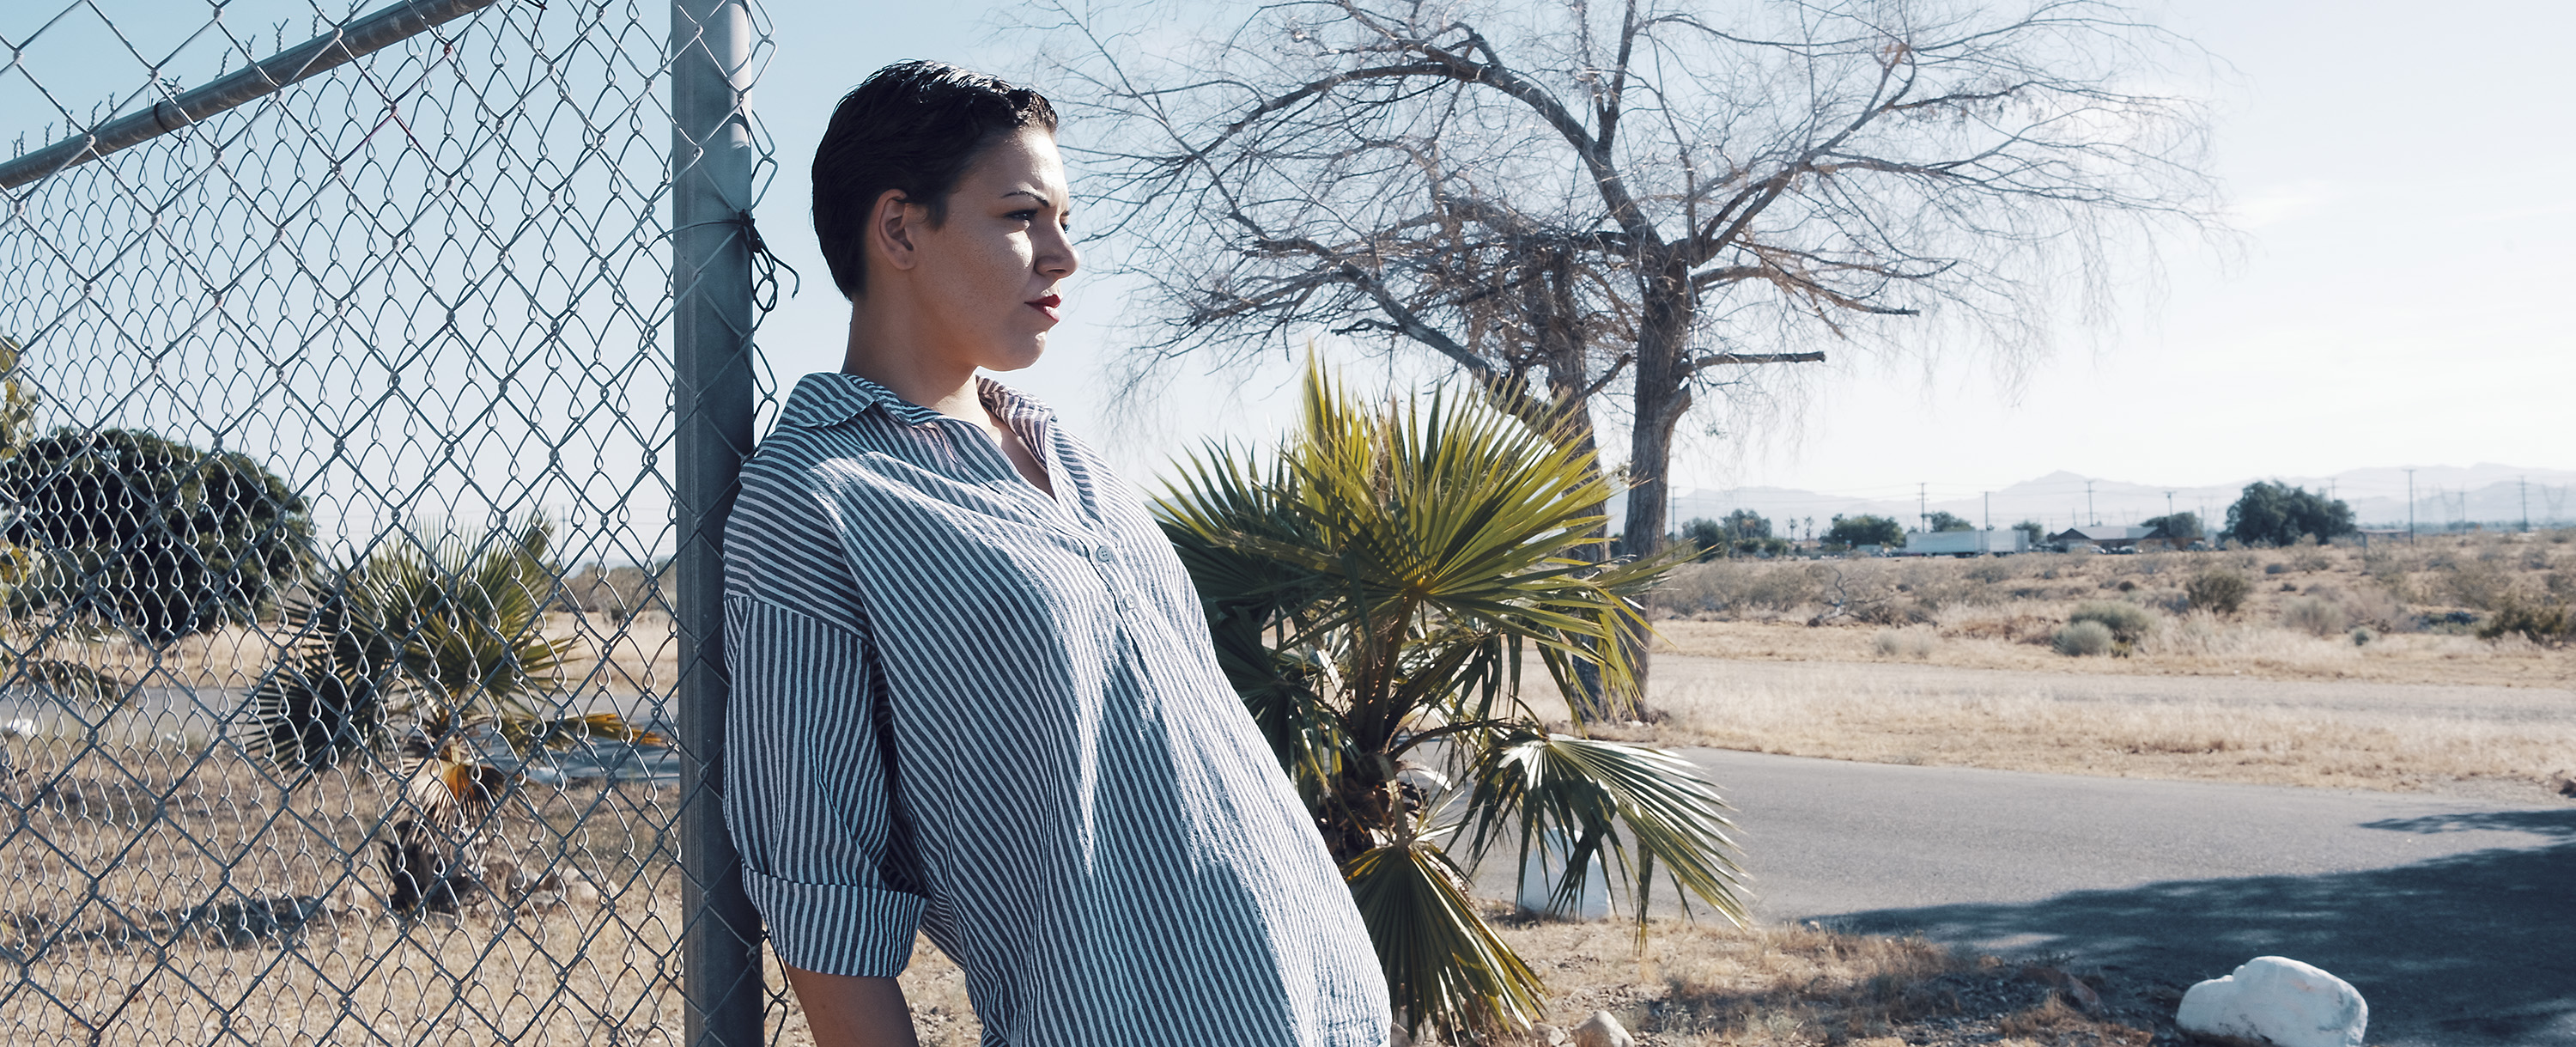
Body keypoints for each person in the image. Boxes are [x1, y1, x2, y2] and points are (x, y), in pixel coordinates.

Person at [720, 62, 1390, 1047]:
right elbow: (823, 891)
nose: (1064, 255)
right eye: (1023, 215)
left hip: (1329, 1006)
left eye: (1065, 218)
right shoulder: (817, 496)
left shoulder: (1071, 455)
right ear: (900, 228)